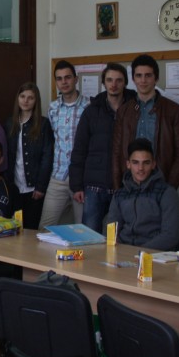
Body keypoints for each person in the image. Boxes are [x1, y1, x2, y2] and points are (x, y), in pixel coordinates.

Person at [70, 63, 135, 232]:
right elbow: (79, 150)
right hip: (94, 187)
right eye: (109, 80)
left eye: (119, 80)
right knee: (90, 235)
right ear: (103, 82)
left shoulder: (134, 110)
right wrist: (76, 186)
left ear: (125, 83)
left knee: (120, 235)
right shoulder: (91, 112)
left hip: (125, 185)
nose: (114, 84)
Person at [112, 54, 179, 189]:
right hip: (129, 184)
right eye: (139, 75)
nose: (143, 80)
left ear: (156, 78)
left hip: (161, 181)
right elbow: (116, 151)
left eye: (148, 75)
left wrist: (170, 187)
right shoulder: (123, 111)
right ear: (133, 79)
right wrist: (118, 187)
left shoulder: (173, 110)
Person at [104, 138, 179, 250]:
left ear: (153, 164)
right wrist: (121, 251)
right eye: (135, 163)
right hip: (124, 253)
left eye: (146, 163)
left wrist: (139, 252)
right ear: (128, 164)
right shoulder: (119, 195)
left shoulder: (167, 193)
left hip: (153, 254)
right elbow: (111, 230)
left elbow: (170, 236)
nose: (141, 168)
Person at [40, 61, 90, 228]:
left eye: (68, 77)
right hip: (58, 176)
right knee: (45, 228)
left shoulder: (89, 107)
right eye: (59, 78)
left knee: (82, 230)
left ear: (76, 79)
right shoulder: (53, 108)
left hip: (82, 179)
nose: (64, 82)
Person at [4, 82, 54, 230]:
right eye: (22, 96)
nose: (25, 101)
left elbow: (47, 157)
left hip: (34, 188)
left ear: (36, 100)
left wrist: (41, 186)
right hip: (14, 186)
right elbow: (7, 156)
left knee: (31, 228)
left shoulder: (43, 124)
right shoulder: (9, 123)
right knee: (13, 228)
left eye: (30, 98)